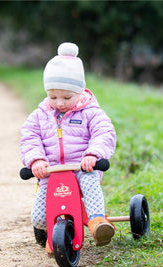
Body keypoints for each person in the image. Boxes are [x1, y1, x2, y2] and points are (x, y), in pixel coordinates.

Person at [20, 42, 116, 255]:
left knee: (90, 185)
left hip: (82, 168)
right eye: (53, 97)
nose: (60, 103)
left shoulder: (91, 112)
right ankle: (54, 231)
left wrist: (93, 154)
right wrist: (36, 160)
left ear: (79, 92)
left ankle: (96, 222)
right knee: (38, 218)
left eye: (66, 97)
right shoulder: (40, 115)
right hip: (51, 173)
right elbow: (29, 137)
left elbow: (104, 133)